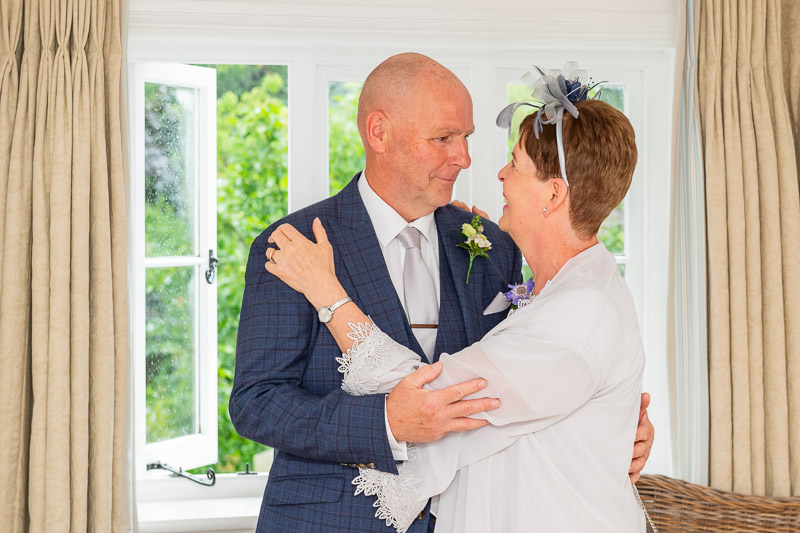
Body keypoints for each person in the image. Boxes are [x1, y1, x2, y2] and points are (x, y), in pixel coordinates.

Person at [230, 54, 654, 533]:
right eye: (444, 138)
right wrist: (384, 423)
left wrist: (609, 421)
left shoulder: (494, 245)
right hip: (327, 521)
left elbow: (520, 383)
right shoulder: (295, 248)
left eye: (466, 137)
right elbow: (255, 403)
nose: (465, 158)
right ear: (379, 133)